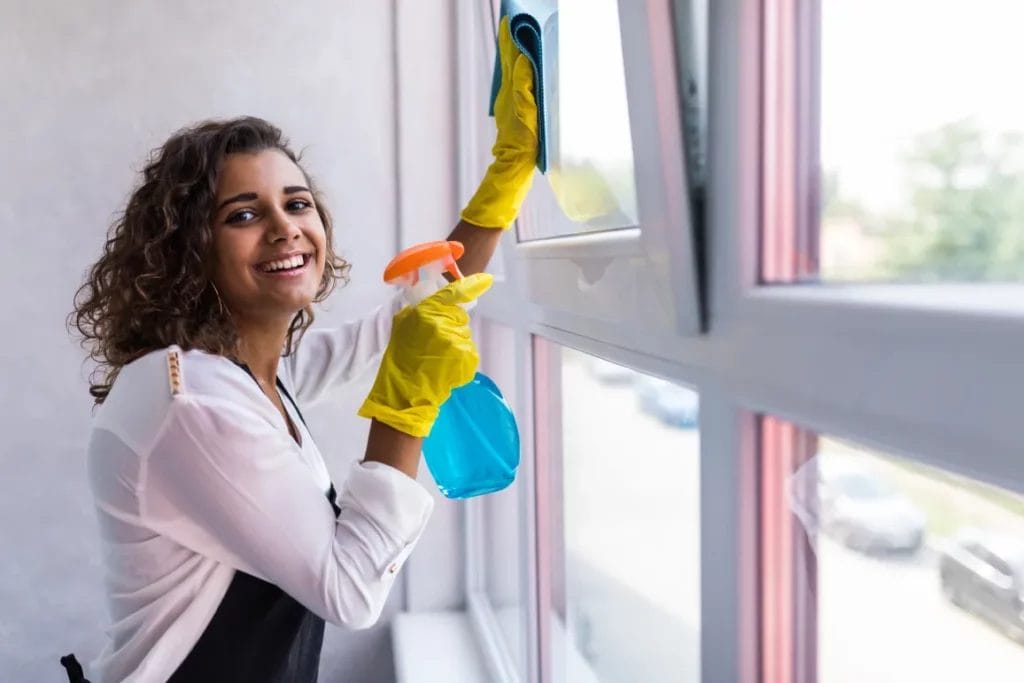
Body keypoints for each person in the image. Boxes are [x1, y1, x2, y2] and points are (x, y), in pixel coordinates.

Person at [61, 17, 537, 683]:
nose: (286, 227)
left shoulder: (252, 374)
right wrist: (404, 401)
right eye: (244, 214)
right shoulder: (189, 400)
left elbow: (422, 307)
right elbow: (349, 589)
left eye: (297, 203)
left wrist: (506, 176)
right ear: (190, 248)